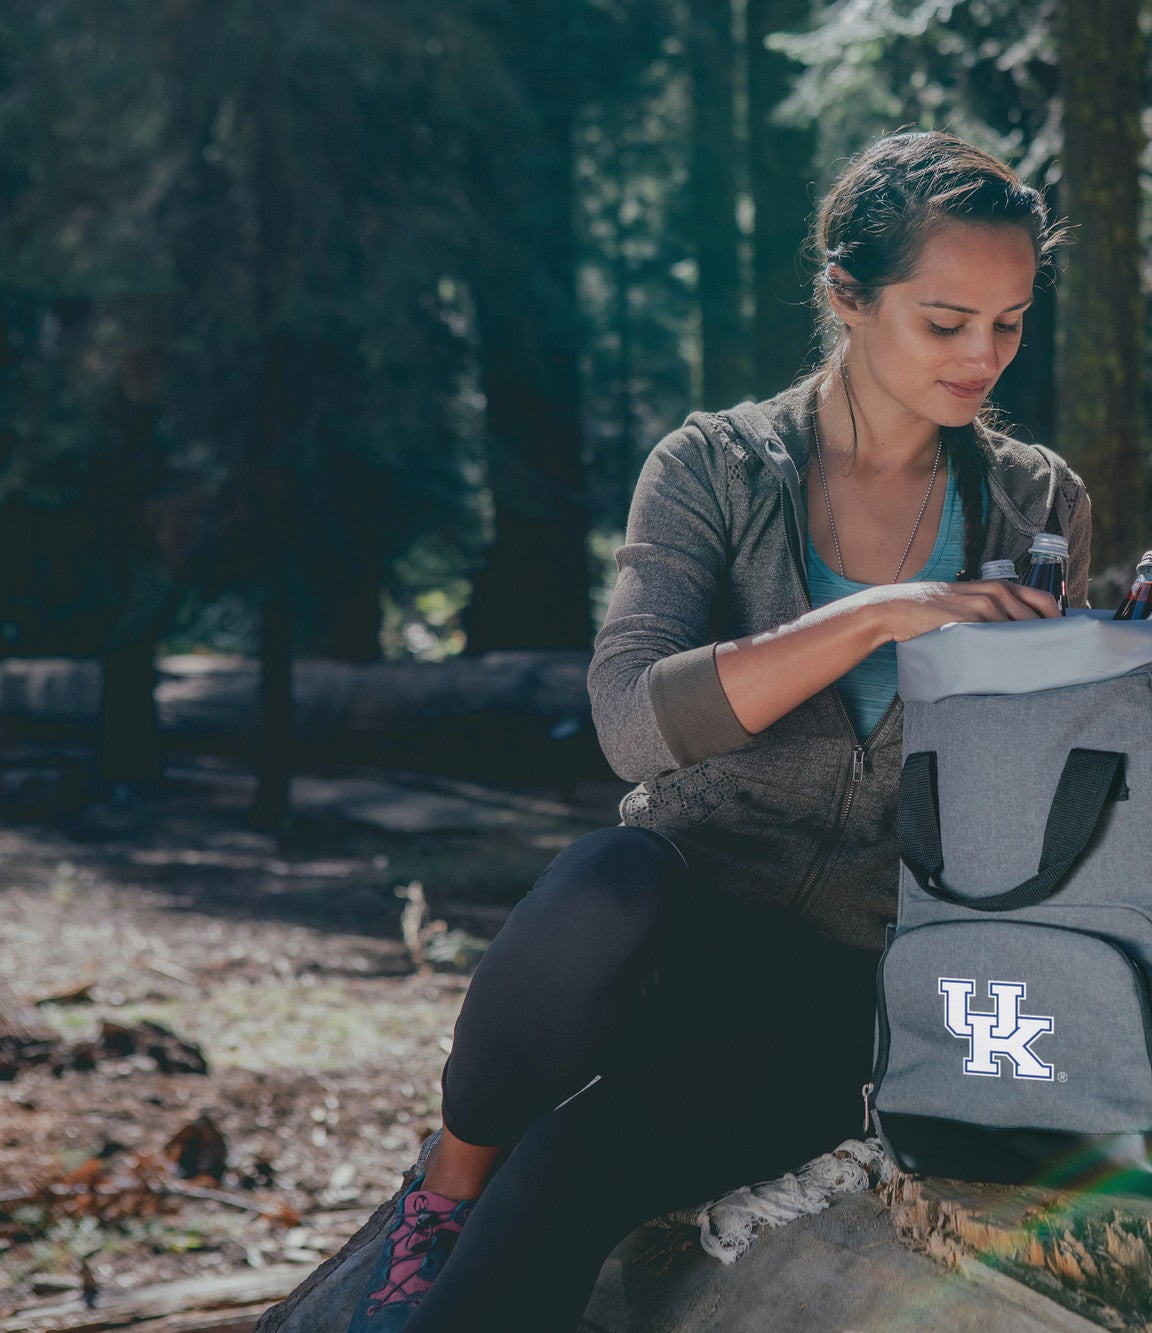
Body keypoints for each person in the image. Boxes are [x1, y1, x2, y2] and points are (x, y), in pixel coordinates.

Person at [260, 130, 1089, 1332]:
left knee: (572, 1173)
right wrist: (878, 617)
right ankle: (440, 1192)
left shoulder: (1034, 502)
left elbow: (1037, 782)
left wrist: (1120, 665)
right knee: (605, 878)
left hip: (858, 990)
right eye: (944, 319)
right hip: (665, 934)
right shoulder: (713, 468)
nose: (981, 357)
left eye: (1007, 323)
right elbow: (630, 722)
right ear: (845, 297)